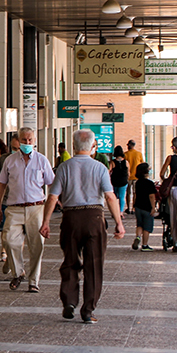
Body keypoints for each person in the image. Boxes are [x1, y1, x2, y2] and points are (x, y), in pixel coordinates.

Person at [40, 129, 125, 324]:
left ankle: (69, 301)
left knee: (70, 261)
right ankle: (88, 310)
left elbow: (52, 197)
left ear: (73, 145)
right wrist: (118, 223)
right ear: (93, 146)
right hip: (94, 217)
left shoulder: (64, 167)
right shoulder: (100, 168)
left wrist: (45, 222)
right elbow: (110, 196)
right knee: (94, 265)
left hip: (70, 218)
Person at [0, 127, 55, 293]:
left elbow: (52, 184)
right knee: (9, 240)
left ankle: (34, 281)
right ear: (18, 141)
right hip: (14, 208)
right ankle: (18, 272)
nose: (27, 143)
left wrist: (53, 206)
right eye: (24, 140)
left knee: (37, 245)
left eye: (30, 140)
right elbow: (2, 184)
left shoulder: (42, 160)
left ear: (34, 141)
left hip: (36, 208)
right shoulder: (10, 161)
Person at [131, 163, 157, 251]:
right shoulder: (150, 183)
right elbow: (152, 196)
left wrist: (133, 205)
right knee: (147, 227)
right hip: (147, 207)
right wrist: (153, 207)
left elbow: (135, 194)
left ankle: (138, 237)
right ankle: (145, 245)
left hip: (138, 206)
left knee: (139, 224)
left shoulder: (137, 183)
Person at [123, 140, 143, 214]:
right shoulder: (139, 154)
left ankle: (129, 208)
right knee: (135, 193)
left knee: (128, 193)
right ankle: (134, 208)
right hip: (136, 176)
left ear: (129, 145)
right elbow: (142, 164)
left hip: (128, 176)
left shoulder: (125, 154)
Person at [109, 146, 129, 215]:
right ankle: (120, 212)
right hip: (123, 181)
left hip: (115, 181)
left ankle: (114, 211)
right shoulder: (126, 162)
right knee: (122, 197)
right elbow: (128, 172)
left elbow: (109, 171)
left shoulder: (113, 162)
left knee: (114, 197)